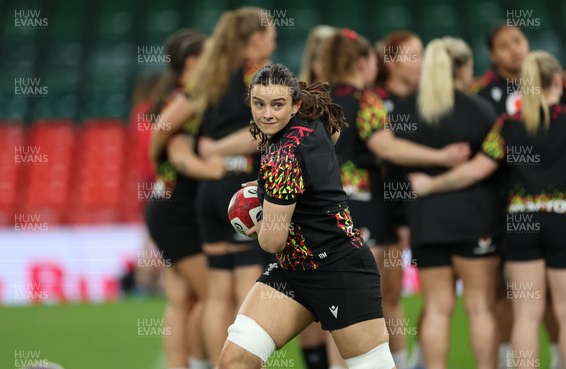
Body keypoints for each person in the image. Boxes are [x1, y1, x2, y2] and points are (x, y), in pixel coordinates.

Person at [409, 50, 566, 369]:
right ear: (559, 80)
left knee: (526, 316)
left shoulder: (508, 125)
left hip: (520, 224)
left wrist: (432, 185)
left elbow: (476, 169)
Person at [217, 63, 397, 369]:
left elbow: (273, 241)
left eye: (277, 105)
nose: (267, 114)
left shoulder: (281, 158)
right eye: (259, 104)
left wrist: (254, 222)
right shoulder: (312, 120)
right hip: (293, 272)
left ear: (295, 103)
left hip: (339, 270)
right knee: (236, 359)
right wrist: (269, 189)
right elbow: (334, 135)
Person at [320, 28, 472, 369]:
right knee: (373, 304)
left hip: (325, 213)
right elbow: (385, 146)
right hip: (364, 212)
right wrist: (441, 157)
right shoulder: (366, 99)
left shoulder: (315, 100)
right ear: (362, 62)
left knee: (338, 310)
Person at [400, 38, 503, 369]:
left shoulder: (406, 110)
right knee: (480, 307)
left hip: (427, 221)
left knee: (437, 307)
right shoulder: (481, 110)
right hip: (475, 219)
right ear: (462, 68)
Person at [186, 7, 276, 368]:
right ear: (255, 39)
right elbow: (267, 127)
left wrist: (207, 151)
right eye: (271, 35)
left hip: (208, 191)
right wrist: (221, 149)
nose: (274, 42)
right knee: (246, 294)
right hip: (243, 193)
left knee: (215, 295)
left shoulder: (210, 73)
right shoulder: (259, 75)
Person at [145, 29, 222, 369]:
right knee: (212, 294)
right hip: (178, 209)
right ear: (193, 62)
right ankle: (197, 362)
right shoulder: (186, 99)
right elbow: (178, 153)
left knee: (182, 299)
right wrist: (213, 170)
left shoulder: (180, 97)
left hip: (169, 205)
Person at [373, 30, 423, 369]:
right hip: (382, 213)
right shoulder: (373, 102)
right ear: (390, 60)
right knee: (379, 298)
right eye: (412, 55)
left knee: (429, 297)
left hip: (427, 211)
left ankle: (409, 362)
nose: (420, 63)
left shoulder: (428, 101)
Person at [297, 23, 339, 369]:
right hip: (302, 204)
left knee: (335, 293)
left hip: (340, 200)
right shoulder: (297, 97)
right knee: (305, 297)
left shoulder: (349, 94)